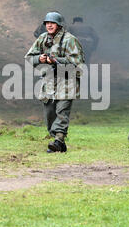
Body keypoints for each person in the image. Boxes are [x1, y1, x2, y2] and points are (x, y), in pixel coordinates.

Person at [25, 11, 85, 153]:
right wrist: (39, 59)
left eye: (53, 23)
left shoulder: (70, 40)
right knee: (49, 113)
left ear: (59, 25)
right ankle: (59, 142)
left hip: (67, 81)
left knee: (61, 112)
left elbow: (78, 64)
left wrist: (56, 60)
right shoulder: (42, 38)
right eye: (47, 23)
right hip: (49, 81)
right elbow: (29, 57)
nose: (49, 25)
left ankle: (58, 140)